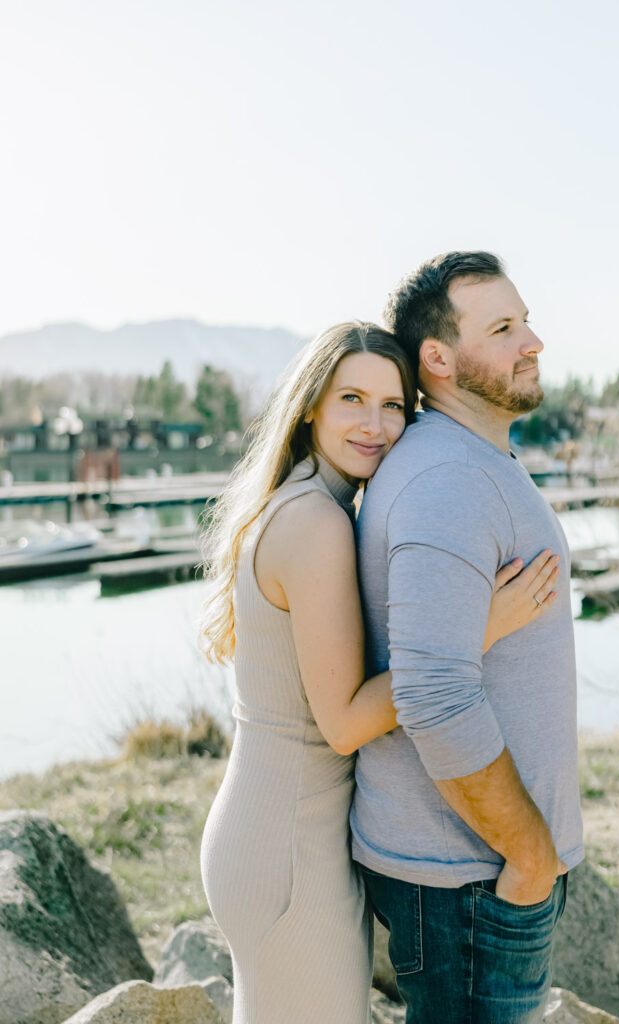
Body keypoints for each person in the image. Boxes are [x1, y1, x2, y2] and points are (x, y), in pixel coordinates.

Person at [197, 321, 561, 1024]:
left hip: (271, 829)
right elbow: (343, 723)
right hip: (289, 847)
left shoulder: (308, 500)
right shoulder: (316, 524)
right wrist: (476, 628)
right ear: (309, 407)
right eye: (351, 400)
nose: (375, 425)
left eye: (393, 405)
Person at [351, 253, 584, 1024]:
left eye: (526, 320)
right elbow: (434, 694)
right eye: (504, 327)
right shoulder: (445, 480)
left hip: (476, 872)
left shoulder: (469, 460)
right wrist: (528, 856)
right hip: (468, 883)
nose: (534, 341)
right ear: (439, 359)